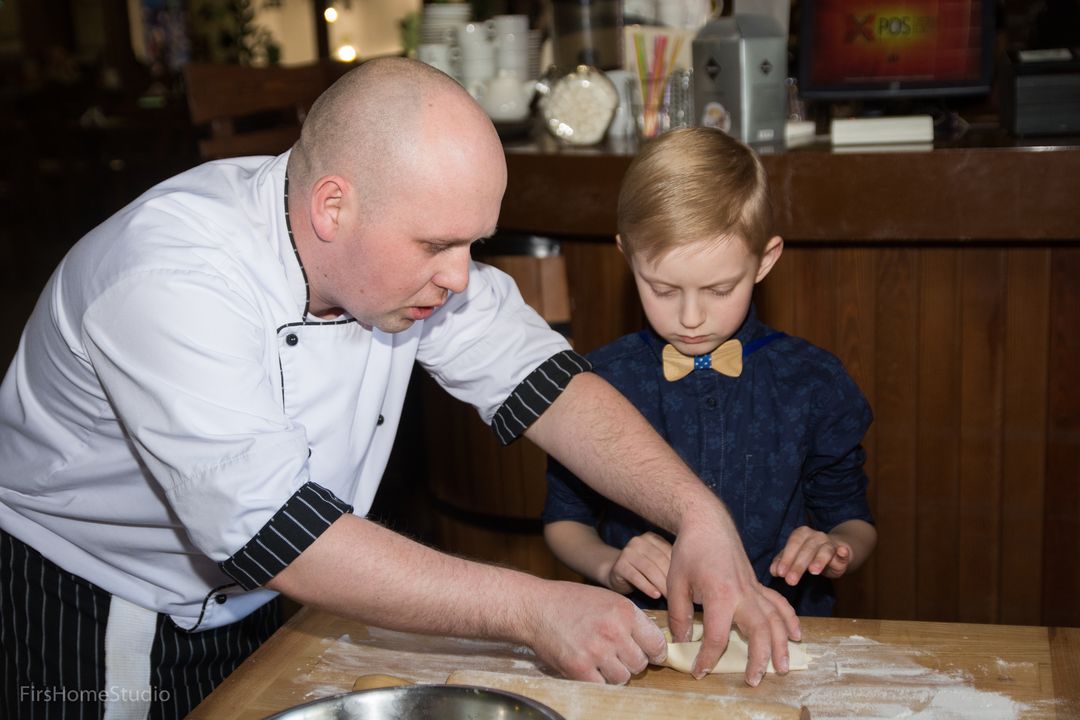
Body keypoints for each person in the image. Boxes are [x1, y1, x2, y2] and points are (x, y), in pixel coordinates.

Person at [0, 59, 799, 719]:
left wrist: (698, 512)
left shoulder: (401, 262)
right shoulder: (170, 281)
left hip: (267, 602)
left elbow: (549, 385)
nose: (460, 277)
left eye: (472, 244)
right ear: (333, 207)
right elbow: (282, 536)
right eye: (437, 245)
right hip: (102, 602)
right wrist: (533, 609)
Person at [543, 127, 877, 619]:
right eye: (662, 289)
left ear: (765, 261)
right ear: (628, 257)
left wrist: (832, 548)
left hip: (785, 629)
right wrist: (610, 565)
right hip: (642, 634)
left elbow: (854, 523)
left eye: (719, 290)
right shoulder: (596, 384)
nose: (691, 317)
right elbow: (564, 522)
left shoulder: (815, 383)